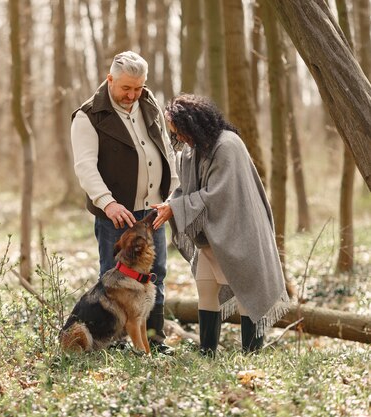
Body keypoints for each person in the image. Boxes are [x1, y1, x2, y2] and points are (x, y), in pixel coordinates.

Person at [152, 93, 289, 357]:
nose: (178, 138)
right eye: (174, 133)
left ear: (194, 123)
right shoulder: (189, 152)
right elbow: (184, 189)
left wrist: (177, 208)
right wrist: (170, 204)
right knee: (205, 287)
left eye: (180, 131)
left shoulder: (227, 145)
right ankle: (208, 354)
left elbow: (219, 194)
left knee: (248, 292)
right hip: (211, 237)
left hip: (241, 232)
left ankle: (252, 356)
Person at [70, 51, 178, 355]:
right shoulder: (89, 116)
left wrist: (172, 196)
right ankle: (116, 343)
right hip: (116, 215)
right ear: (110, 80)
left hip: (153, 210)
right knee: (114, 277)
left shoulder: (148, 102)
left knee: (156, 273)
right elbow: (85, 167)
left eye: (138, 88)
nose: (132, 95)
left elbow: (166, 150)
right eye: (125, 88)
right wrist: (107, 203)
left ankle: (155, 342)